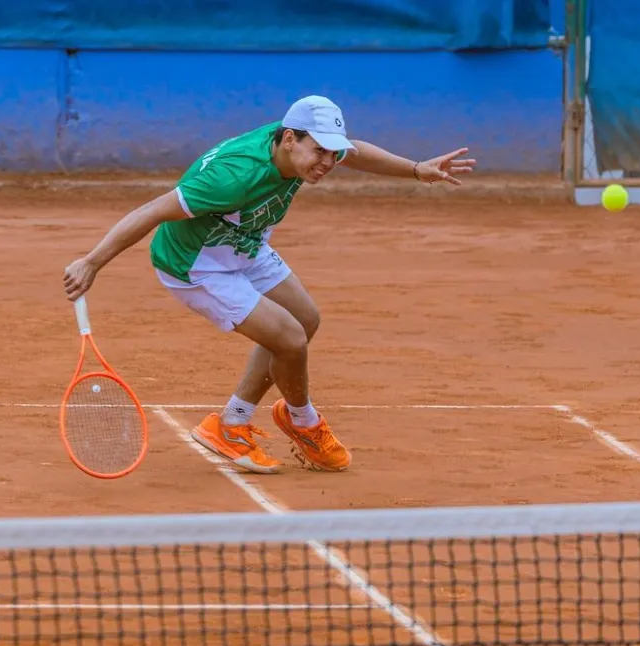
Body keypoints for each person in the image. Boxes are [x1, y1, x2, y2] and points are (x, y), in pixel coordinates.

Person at [63, 95, 475, 475]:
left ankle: (233, 422)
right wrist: (92, 261)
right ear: (291, 139)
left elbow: (357, 150)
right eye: (320, 152)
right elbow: (153, 210)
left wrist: (418, 170)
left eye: (333, 153)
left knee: (305, 320)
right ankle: (303, 423)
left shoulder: (299, 146)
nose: (328, 163)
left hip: (243, 243)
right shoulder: (232, 178)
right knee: (290, 339)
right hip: (196, 264)